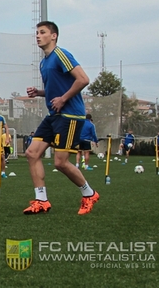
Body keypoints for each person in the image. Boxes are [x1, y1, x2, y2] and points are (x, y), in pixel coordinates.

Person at [24, 21, 99, 215]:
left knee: (60, 162)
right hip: (54, 115)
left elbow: (83, 79)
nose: (38, 36)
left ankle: (89, 194)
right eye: (37, 32)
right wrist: (39, 92)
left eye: (42, 32)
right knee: (32, 153)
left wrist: (63, 99)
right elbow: (55, 88)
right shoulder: (44, 63)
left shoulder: (61, 54)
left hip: (70, 115)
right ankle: (41, 200)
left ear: (54, 36)